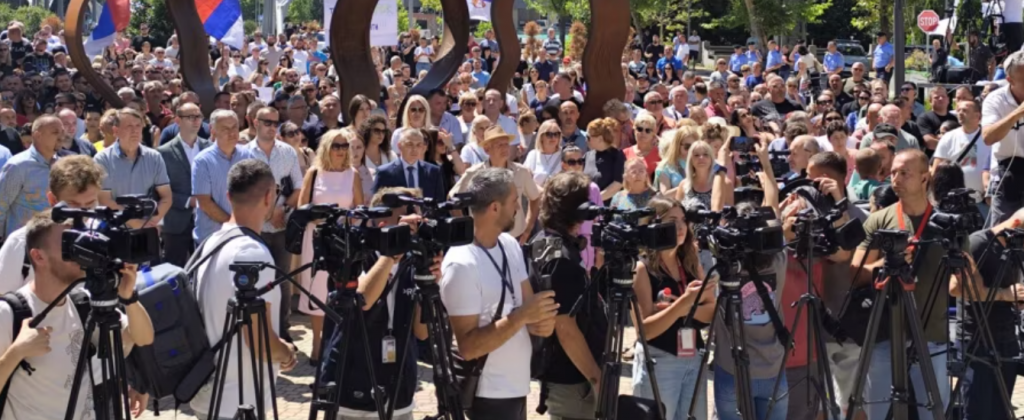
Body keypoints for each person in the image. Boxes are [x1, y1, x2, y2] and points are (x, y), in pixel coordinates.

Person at [0, 211, 155, 419]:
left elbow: (143, 337)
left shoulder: (81, 302)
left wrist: (129, 298)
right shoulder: (10, 314)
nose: (80, 252)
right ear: (38, 256)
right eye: (69, 244)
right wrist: (16, 352)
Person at [441, 167, 556, 420]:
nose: (518, 208)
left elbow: (529, 312)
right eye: (515, 201)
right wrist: (522, 316)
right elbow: (468, 347)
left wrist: (542, 321)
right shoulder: (461, 263)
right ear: (495, 207)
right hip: (486, 395)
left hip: (517, 386)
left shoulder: (510, 244)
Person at [190, 159, 298, 419]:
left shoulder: (210, 242)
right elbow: (259, 340)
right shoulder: (252, 253)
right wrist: (286, 353)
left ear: (228, 196)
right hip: (239, 402)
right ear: (269, 196)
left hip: (207, 391)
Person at [851, 149, 953, 420]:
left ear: (924, 177)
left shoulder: (946, 224)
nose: (895, 178)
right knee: (877, 413)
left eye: (904, 173)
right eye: (893, 172)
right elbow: (856, 272)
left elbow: (959, 282)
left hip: (931, 335)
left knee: (934, 413)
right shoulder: (879, 219)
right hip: (883, 334)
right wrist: (886, 264)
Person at [528, 172, 607, 419]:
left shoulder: (542, 241)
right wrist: (596, 378)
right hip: (574, 382)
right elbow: (566, 328)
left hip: (560, 376)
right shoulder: (563, 259)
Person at [950, 207, 1024, 420]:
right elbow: (955, 288)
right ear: (1016, 226)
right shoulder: (978, 243)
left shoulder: (1015, 245)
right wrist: (1004, 294)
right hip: (977, 341)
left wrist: (1016, 298)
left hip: (1006, 338)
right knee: (977, 413)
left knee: (1000, 412)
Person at [296, 129, 363, 363]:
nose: (341, 150)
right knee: (317, 291)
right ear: (326, 147)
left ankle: (338, 343)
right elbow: (302, 207)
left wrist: (348, 223)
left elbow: (359, 208)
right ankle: (317, 343)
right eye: (336, 145)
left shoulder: (352, 174)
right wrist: (317, 219)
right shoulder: (314, 173)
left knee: (341, 291)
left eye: (344, 146)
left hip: (343, 240)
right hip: (316, 239)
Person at [0, 156, 103, 292]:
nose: (82, 213)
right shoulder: (21, 243)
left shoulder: (104, 238)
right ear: (53, 200)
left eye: (90, 204)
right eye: (73, 205)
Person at [451, 126, 541, 244]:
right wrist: (466, 227)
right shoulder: (474, 173)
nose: (505, 148)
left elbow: (535, 198)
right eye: (499, 145)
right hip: (483, 241)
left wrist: (528, 228)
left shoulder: (521, 172)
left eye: (506, 144)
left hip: (515, 239)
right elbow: (453, 199)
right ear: (487, 149)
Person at [94, 107, 172, 229]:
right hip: (114, 228)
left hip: (147, 228)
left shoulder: (154, 157)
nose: (135, 131)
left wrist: (153, 220)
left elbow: (166, 197)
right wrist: (136, 223)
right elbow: (105, 200)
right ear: (115, 131)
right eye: (129, 126)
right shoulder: (102, 159)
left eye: (138, 126)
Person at [158, 103, 212, 268]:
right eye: (191, 117)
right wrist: (189, 201)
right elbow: (160, 190)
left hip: (207, 221)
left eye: (199, 117)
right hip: (176, 223)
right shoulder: (163, 152)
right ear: (177, 121)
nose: (196, 121)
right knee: (174, 271)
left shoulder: (210, 148)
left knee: (205, 269)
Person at [192, 110, 254, 244]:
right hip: (212, 239)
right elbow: (205, 203)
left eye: (234, 127)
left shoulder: (248, 156)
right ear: (212, 130)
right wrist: (233, 225)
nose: (231, 133)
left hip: (243, 237)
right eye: (225, 128)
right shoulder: (202, 161)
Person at [981, 51, 1024, 227]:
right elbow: (988, 137)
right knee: (1002, 234)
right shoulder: (995, 100)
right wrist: (1017, 113)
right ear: (1010, 80)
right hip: (1007, 174)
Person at [0, 116, 61, 240]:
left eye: (62, 132)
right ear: (38, 135)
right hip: (21, 245)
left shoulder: (61, 165)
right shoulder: (19, 166)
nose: (61, 136)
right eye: (55, 132)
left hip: (52, 243)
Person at [932, 100, 989, 216]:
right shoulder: (948, 137)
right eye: (959, 110)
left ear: (978, 115)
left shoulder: (989, 137)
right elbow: (937, 170)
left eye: (965, 110)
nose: (960, 113)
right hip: (952, 202)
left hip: (981, 201)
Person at [373, 128, 447, 203]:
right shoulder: (384, 173)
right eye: (409, 144)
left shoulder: (433, 172)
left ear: (423, 148)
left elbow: (439, 204)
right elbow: (376, 205)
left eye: (419, 145)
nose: (414, 149)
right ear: (399, 146)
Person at [582, 118, 626, 205]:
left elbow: (618, 183)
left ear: (600, 139)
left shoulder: (617, 156)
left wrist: (596, 199)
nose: (586, 140)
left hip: (608, 207)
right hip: (589, 207)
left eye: (588, 137)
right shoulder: (587, 156)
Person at [656, 126, 697, 197]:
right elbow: (664, 195)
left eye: (694, 146)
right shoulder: (666, 166)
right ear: (677, 145)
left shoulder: (701, 161)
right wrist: (686, 185)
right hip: (677, 206)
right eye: (687, 147)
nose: (691, 150)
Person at [523, 119, 563, 187]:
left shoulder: (565, 155)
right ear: (541, 136)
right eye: (549, 134)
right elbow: (525, 180)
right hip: (536, 196)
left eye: (556, 134)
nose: (553, 137)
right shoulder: (533, 155)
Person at [675, 140, 715, 208]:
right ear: (691, 160)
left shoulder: (721, 184)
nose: (701, 158)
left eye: (706, 154)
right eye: (696, 155)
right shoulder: (684, 185)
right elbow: (677, 211)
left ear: (711, 159)